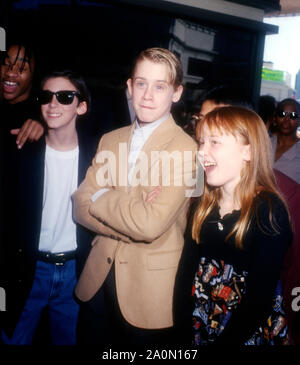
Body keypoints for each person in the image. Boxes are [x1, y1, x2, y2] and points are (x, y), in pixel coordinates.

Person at [72, 47, 199, 346]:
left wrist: (101, 196)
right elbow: (79, 206)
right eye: (141, 83)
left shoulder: (188, 150)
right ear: (129, 86)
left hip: (150, 294)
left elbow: (149, 226)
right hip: (97, 283)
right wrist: (134, 214)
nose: (148, 95)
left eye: (160, 86)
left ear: (177, 93)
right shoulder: (110, 139)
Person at [174, 105, 292, 345]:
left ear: (247, 152)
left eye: (214, 142)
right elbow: (185, 274)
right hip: (202, 322)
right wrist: (181, 330)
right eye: (201, 142)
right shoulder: (202, 205)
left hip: (245, 332)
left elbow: (259, 301)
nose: (201, 152)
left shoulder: (268, 211)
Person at [1, 70, 97, 345]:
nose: (53, 104)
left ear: (81, 106)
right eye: (46, 96)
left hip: (75, 273)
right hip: (27, 269)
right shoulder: (20, 150)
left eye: (65, 97)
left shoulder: (98, 155)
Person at [270, 98, 300, 183]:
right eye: (282, 114)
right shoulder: (264, 143)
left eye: (293, 116)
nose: (286, 119)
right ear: (275, 118)